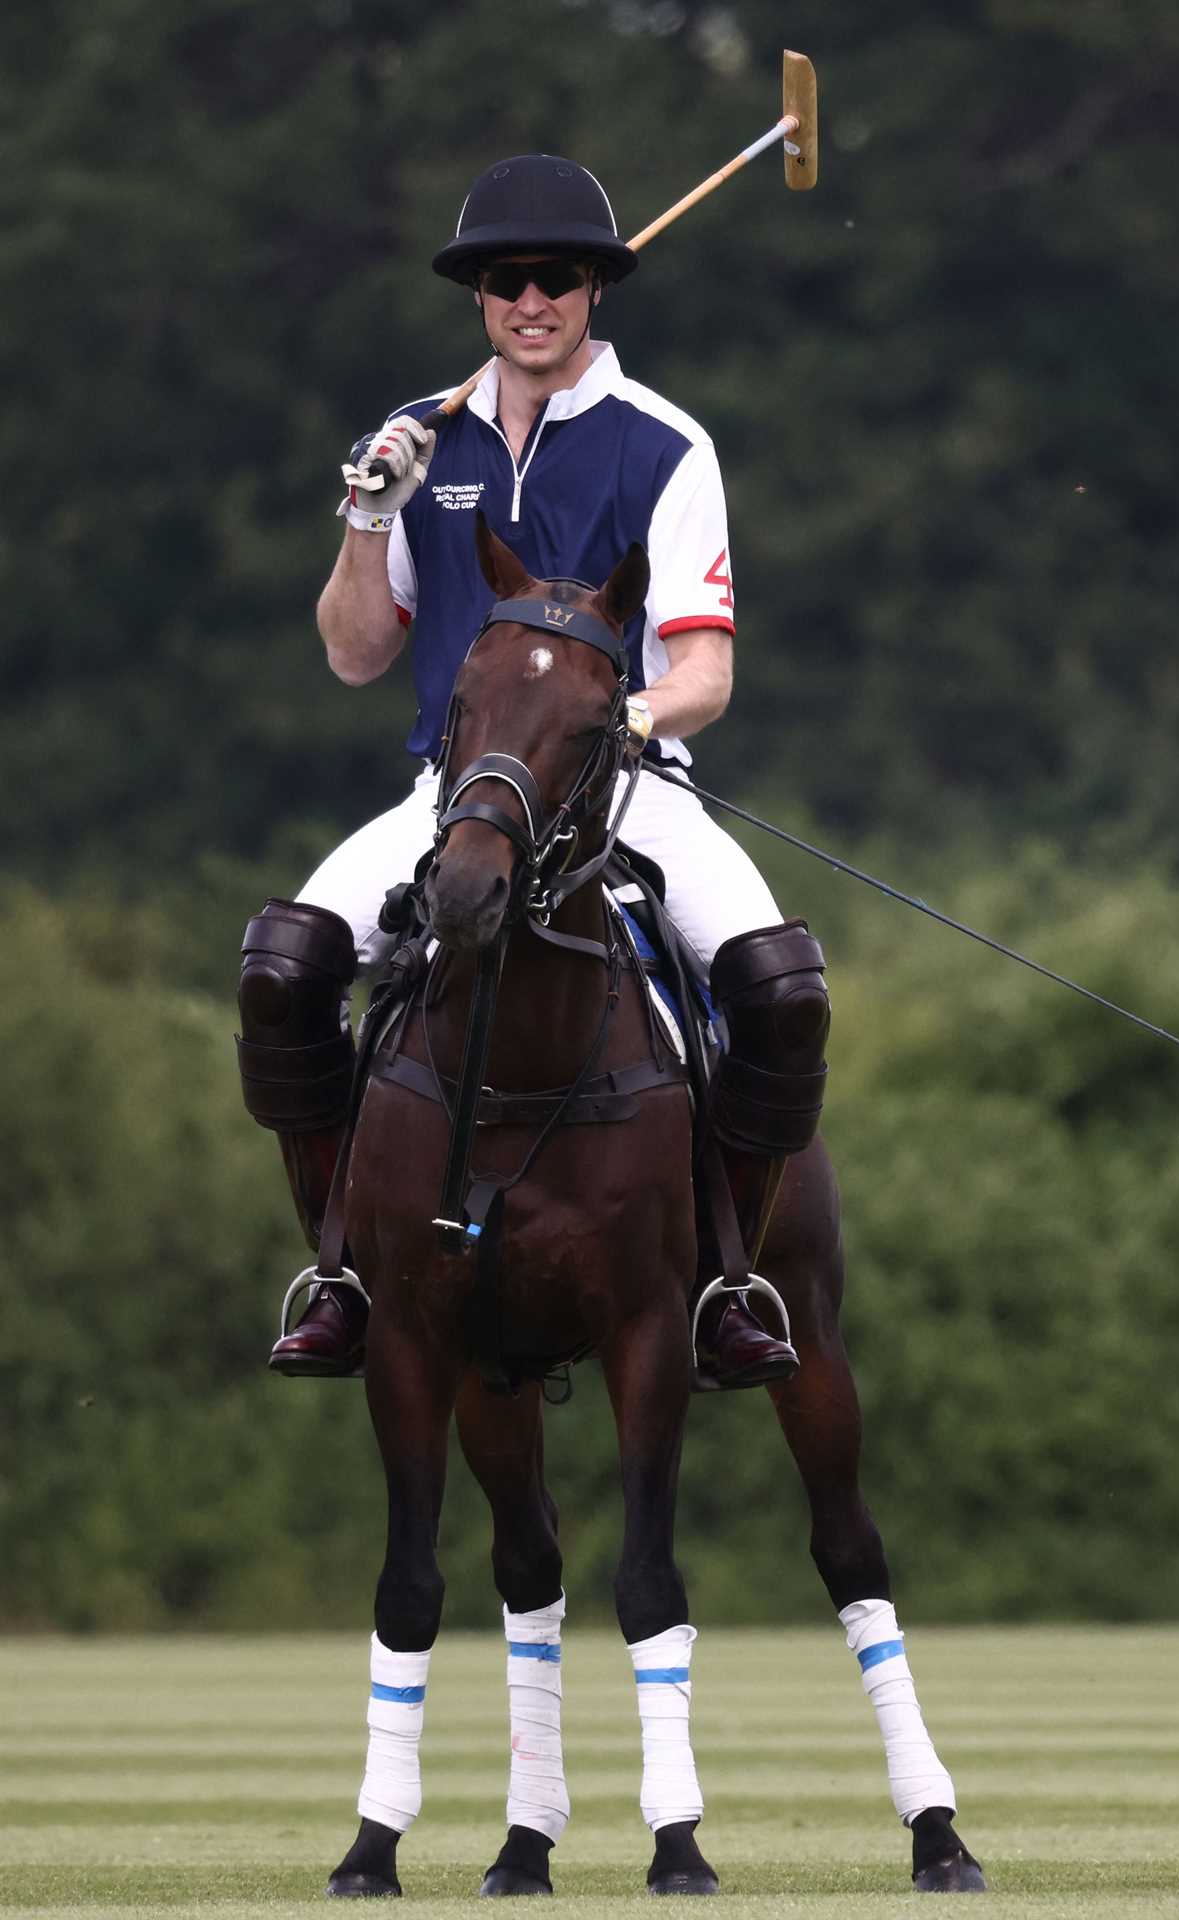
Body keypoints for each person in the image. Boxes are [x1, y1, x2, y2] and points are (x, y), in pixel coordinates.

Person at [236, 154, 830, 1387]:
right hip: (450, 802)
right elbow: (352, 656)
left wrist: (618, 725)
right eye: (505, 280)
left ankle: (731, 1274)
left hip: (630, 790)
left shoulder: (664, 445)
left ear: (594, 290)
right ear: (478, 297)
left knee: (778, 989)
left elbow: (704, 673)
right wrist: (363, 518)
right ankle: (342, 1269)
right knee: (283, 968)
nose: (530, 301)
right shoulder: (411, 444)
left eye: (555, 276)